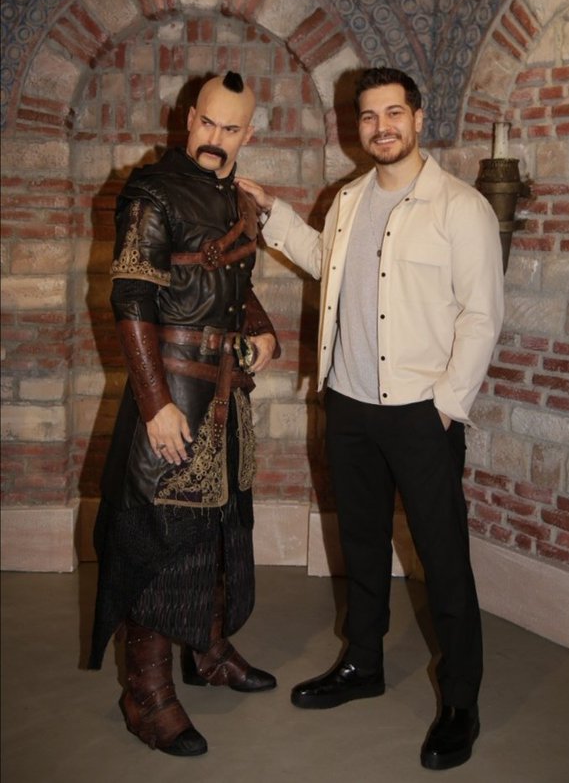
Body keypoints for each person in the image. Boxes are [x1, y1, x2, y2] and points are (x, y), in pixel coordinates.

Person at [238, 66, 504, 771]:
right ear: (355, 127)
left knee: (442, 559)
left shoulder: (460, 207)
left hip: (422, 414)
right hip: (349, 404)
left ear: (417, 119)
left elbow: (482, 316)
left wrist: (447, 406)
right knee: (359, 546)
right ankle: (362, 664)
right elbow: (325, 261)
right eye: (368, 116)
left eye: (393, 113)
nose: (381, 127)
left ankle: (461, 701)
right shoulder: (349, 199)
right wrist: (271, 211)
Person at [89, 71, 280, 758]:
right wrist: (155, 403)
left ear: (246, 133)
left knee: (223, 528)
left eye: (230, 128)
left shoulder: (237, 199)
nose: (214, 138)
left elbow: (232, 285)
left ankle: (208, 651)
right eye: (207, 122)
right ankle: (146, 694)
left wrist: (263, 330)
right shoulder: (152, 191)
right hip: (172, 395)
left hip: (227, 396)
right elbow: (132, 299)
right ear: (188, 117)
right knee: (160, 542)